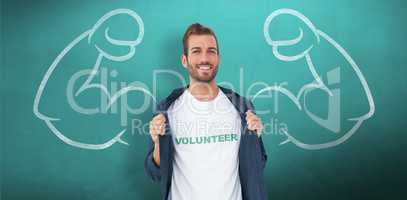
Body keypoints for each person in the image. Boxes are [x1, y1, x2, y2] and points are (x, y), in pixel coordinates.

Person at [145, 23, 268, 200]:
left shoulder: (242, 107)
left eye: (211, 51)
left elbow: (258, 166)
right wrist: (157, 144)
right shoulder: (167, 110)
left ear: (218, 58)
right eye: (196, 51)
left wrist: (254, 140)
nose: (205, 58)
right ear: (184, 60)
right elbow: (155, 173)